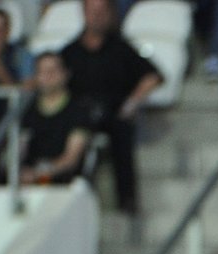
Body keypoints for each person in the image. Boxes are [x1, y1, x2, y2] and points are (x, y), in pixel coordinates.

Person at [60, 0, 162, 216]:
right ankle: (67, 197)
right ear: (84, 13)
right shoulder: (70, 52)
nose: (97, 16)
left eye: (101, 10)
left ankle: (127, 200)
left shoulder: (120, 48)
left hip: (113, 114)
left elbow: (153, 75)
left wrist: (133, 101)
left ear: (109, 13)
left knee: (122, 132)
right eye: (92, 10)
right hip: (78, 115)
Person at [18, 52, 92, 186]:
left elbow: (71, 158)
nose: (48, 76)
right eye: (43, 71)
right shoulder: (26, 110)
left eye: (53, 70)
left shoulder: (79, 110)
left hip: (63, 184)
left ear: (65, 73)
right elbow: (19, 149)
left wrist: (40, 173)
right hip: (26, 183)